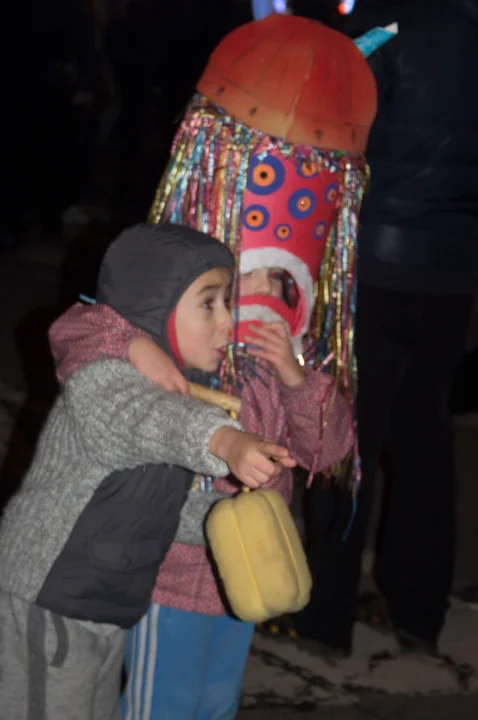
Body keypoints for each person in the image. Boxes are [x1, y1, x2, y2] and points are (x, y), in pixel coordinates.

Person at [0, 222, 296, 720]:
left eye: (227, 302)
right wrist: (225, 441)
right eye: (209, 303)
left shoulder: (182, 385)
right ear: (156, 306)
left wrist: (236, 524)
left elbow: (166, 506)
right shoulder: (106, 378)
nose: (228, 322)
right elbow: (149, 419)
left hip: (107, 602)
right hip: (49, 598)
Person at [50, 255, 354, 718]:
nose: (265, 290)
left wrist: (295, 377)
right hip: (169, 576)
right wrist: (135, 344)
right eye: (248, 276)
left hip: (247, 571)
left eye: (275, 277)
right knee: (161, 705)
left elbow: (326, 452)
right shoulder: (181, 340)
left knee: (217, 701)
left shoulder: (289, 358)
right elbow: (75, 331)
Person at [297, 0, 478, 656]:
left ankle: (325, 617)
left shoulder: (385, 23)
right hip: (453, 270)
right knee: (424, 434)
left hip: (374, 264)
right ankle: (417, 612)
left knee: (347, 436)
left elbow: (334, 128)